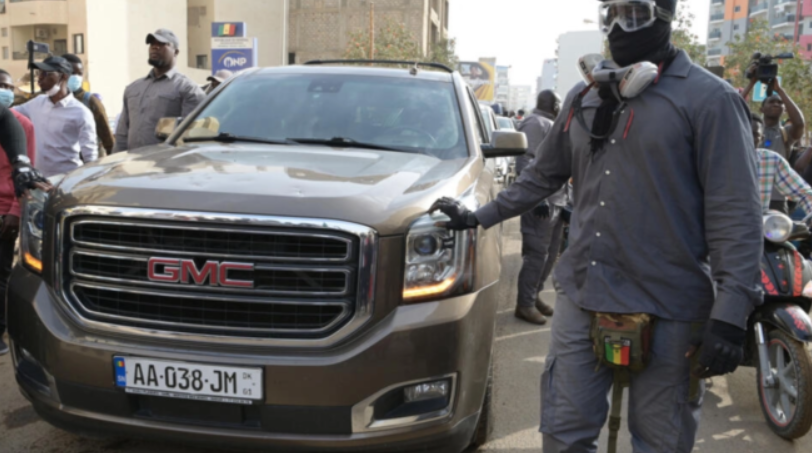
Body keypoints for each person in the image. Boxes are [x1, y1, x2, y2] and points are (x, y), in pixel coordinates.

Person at [430, 1, 761, 452]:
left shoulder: (711, 100)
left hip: (670, 304)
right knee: (563, 434)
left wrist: (731, 314)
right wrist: (478, 215)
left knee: (660, 441)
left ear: (666, 15)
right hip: (583, 294)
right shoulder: (583, 98)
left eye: (637, 13)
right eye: (612, 13)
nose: (621, 26)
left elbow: (736, 213)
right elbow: (542, 176)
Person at [514, 90, 563, 325]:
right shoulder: (535, 123)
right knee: (536, 255)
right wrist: (536, 197)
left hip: (557, 201)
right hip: (541, 202)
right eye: (559, 102)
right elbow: (525, 160)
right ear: (554, 104)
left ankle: (533, 296)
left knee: (550, 255)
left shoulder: (551, 123)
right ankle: (524, 304)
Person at [114, 28, 206, 153]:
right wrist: (117, 163)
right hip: (132, 166)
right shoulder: (133, 88)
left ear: (176, 52)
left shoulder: (188, 89)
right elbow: (122, 133)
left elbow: (191, 138)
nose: (155, 47)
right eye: (152, 44)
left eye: (162, 44)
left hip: (165, 167)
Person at [0, 70, 37, 355]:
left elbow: (25, 166)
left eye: (8, 86)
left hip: (4, 210)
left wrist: (15, 209)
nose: (5, 90)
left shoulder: (17, 122)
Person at [14, 56, 98, 177]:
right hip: (39, 181)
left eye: (46, 73)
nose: (40, 77)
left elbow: (90, 156)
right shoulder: (37, 103)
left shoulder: (81, 112)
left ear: (63, 76)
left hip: (67, 181)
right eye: (39, 73)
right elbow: (9, 114)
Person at [743, 73, 806, 213]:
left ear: (784, 110)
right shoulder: (749, 129)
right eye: (771, 102)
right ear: (761, 109)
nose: (776, 104)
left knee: (776, 234)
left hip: (776, 199)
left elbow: (800, 123)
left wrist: (780, 91)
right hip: (747, 195)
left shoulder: (786, 133)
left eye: (780, 103)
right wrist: (752, 83)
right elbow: (731, 110)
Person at [751, 113, 812, 215]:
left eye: (754, 134)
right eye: (742, 132)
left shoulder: (771, 160)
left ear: (761, 138)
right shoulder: (716, 158)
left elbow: (804, 194)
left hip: (759, 228)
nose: (747, 137)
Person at [62, 53, 115, 157]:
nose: (76, 77)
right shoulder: (50, 101)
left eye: (79, 74)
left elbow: (107, 136)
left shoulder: (90, 101)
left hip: (88, 161)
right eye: (72, 73)